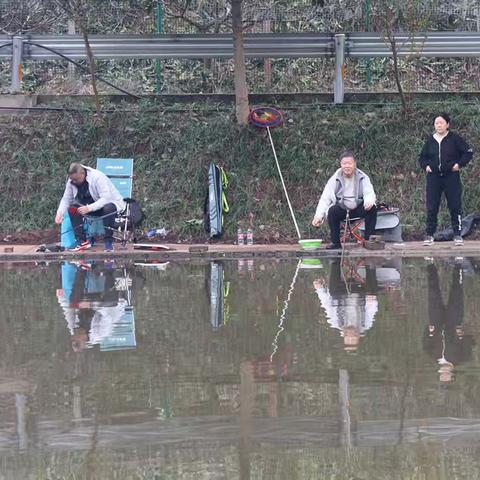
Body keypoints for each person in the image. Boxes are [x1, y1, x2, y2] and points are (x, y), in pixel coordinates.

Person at [419, 113, 473, 246]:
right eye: (436, 123)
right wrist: (426, 166)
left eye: (441, 122)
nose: (439, 125)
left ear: (447, 124)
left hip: (451, 176)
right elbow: (422, 157)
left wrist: (458, 164)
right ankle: (429, 234)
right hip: (434, 177)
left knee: (455, 205)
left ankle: (457, 234)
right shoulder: (430, 140)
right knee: (432, 206)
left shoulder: (454, 139)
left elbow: (468, 152)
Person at [312, 150, 377, 250]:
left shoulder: (363, 177)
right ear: (340, 164)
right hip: (342, 208)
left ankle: (369, 241)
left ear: (355, 164)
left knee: (372, 208)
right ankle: (335, 243)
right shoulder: (335, 178)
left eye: (349, 163)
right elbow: (325, 198)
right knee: (332, 211)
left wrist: (369, 202)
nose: (347, 166)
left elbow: (369, 192)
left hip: (357, 207)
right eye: (344, 163)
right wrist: (318, 216)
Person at [55, 163, 126, 252]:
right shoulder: (71, 181)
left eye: (76, 179)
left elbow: (106, 198)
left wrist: (89, 208)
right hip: (87, 207)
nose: (73, 182)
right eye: (72, 179)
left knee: (109, 208)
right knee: (73, 209)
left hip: (107, 207)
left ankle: (108, 242)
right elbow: (66, 199)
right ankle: (82, 241)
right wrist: (60, 213)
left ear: (82, 174)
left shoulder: (97, 177)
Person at [314, 258, 379, 352]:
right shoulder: (366, 324)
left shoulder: (335, 322)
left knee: (333, 293)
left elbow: (327, 304)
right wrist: (371, 301)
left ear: (344, 336)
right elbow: (372, 309)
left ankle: (335, 262)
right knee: (372, 293)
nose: (351, 336)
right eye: (353, 339)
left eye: (348, 339)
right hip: (360, 294)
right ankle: (370, 265)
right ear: (358, 336)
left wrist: (319, 289)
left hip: (342, 293)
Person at [423, 262, 473, 382]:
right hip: (454, 325)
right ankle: (458, 265)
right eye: (447, 375)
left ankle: (431, 265)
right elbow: (470, 344)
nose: (444, 373)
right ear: (451, 373)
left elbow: (425, 343)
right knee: (456, 293)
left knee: (433, 294)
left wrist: (429, 332)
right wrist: (462, 335)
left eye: (442, 375)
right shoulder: (460, 358)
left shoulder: (434, 356)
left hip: (436, 325)